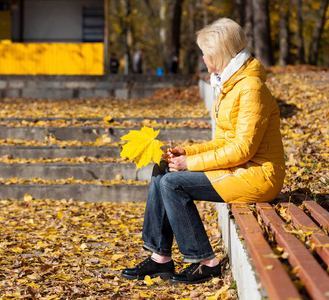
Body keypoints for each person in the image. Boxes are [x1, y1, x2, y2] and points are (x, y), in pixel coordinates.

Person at [121, 17, 285, 285]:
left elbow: (243, 149)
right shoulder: (227, 84)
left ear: (218, 54)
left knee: (174, 184)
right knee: (162, 170)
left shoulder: (251, 88)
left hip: (257, 176)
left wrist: (190, 164)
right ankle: (159, 257)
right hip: (238, 168)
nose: (202, 57)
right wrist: (187, 151)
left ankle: (204, 261)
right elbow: (222, 141)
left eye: (205, 52)